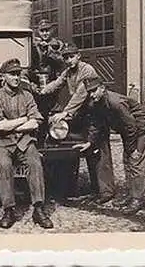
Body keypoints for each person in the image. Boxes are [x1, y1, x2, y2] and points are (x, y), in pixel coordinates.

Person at [54, 77, 145, 215]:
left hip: (140, 127)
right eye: (89, 92)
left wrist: (133, 149)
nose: (92, 94)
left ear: (102, 88)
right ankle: (131, 195)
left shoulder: (115, 102)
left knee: (135, 162)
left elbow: (131, 126)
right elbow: (96, 123)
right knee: (127, 162)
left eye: (94, 90)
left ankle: (138, 200)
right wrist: (90, 141)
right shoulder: (96, 102)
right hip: (127, 128)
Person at [0, 58, 53, 229]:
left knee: (35, 162)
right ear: (4, 76)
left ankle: (38, 209)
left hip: (24, 141)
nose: (16, 77)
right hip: (1, 142)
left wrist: (13, 124)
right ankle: (9, 210)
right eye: (12, 74)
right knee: (4, 165)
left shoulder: (27, 96)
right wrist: (24, 119)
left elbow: (36, 122)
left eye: (18, 74)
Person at [39, 43, 101, 201]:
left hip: (93, 112)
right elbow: (57, 83)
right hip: (80, 113)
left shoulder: (87, 70)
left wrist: (66, 112)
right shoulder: (68, 72)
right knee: (74, 146)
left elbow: (81, 94)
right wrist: (41, 91)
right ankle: (69, 186)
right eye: (66, 57)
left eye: (71, 56)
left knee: (95, 151)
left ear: (78, 55)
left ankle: (99, 190)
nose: (68, 60)